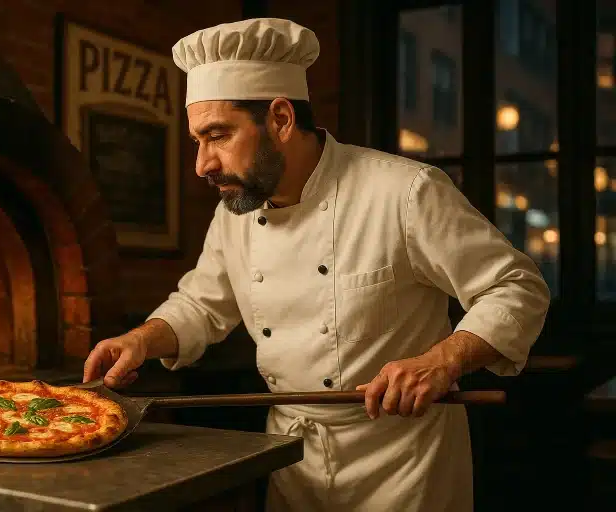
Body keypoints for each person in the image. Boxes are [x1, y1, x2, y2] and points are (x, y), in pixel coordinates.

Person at [83, 18, 550, 511]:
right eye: (199, 141)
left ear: (281, 119)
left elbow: (515, 286)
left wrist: (442, 361)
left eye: (217, 136)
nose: (203, 164)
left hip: (403, 466)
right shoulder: (235, 212)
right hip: (291, 458)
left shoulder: (404, 192)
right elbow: (201, 304)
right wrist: (141, 339)